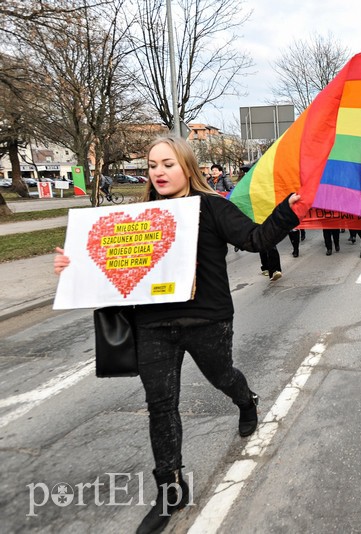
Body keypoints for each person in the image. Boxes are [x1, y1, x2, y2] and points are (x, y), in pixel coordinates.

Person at [53, 136, 303, 534]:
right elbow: (109, 265)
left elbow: (255, 241)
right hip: (153, 325)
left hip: (207, 320)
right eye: (152, 165)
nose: (158, 172)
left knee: (223, 377)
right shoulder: (140, 216)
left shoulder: (213, 207)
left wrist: (287, 212)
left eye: (167, 164)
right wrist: (74, 265)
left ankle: (247, 400)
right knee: (161, 405)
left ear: (187, 167)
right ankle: (170, 489)